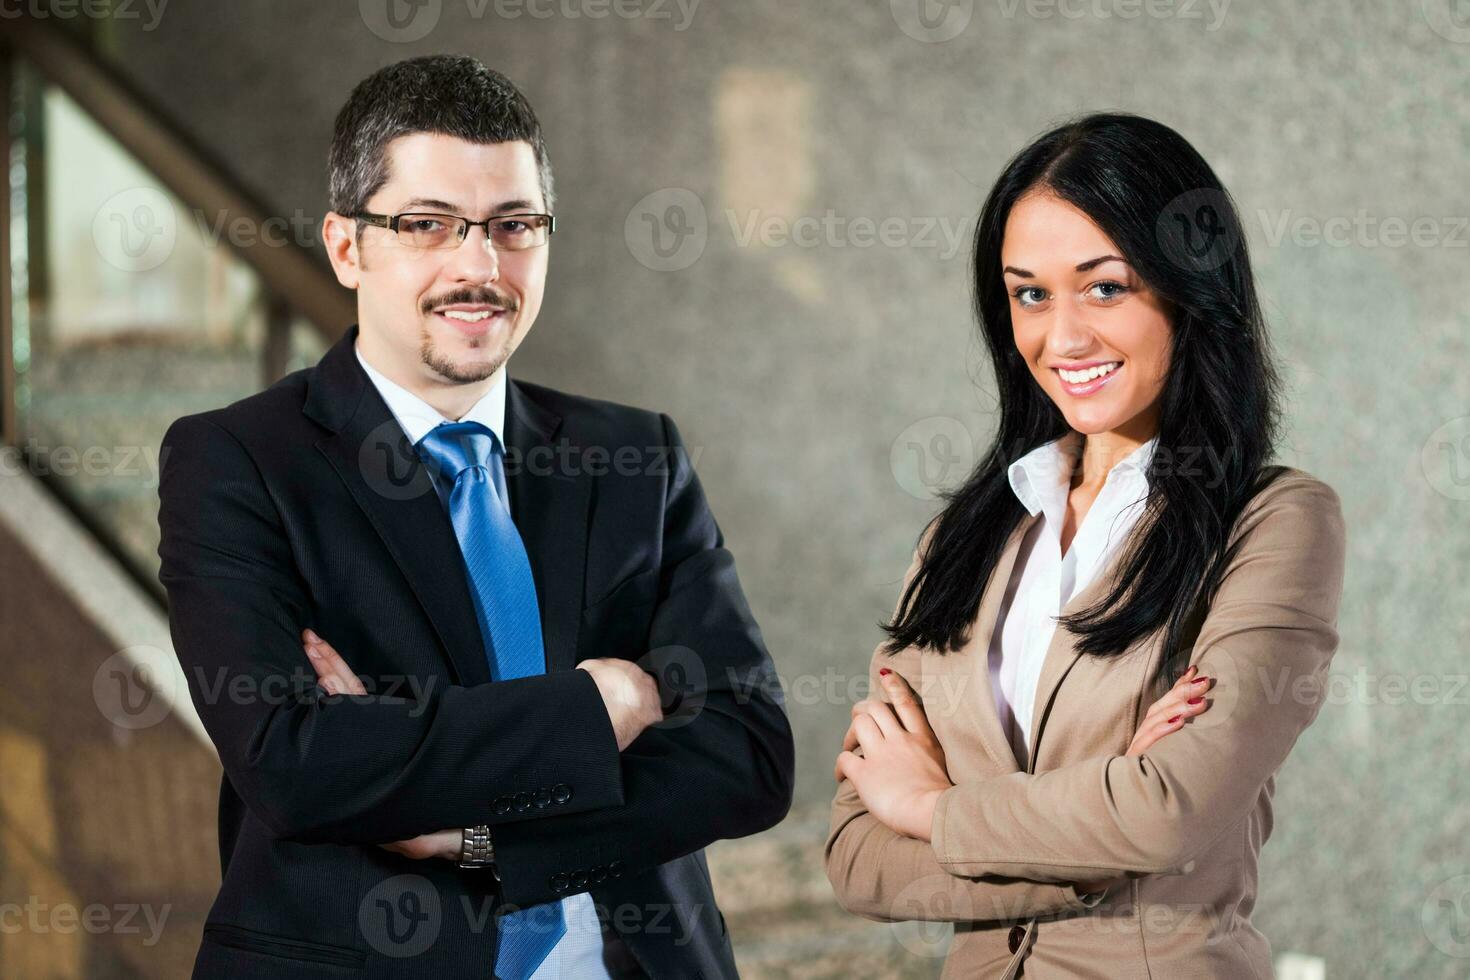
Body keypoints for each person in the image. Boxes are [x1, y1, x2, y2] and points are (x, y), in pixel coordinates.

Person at [157, 54, 793, 980]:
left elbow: (748, 752)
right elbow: (295, 761)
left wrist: (474, 838)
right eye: (427, 225)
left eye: (514, 225)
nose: (479, 265)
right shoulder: (238, 461)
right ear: (346, 247)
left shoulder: (631, 456)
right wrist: (600, 705)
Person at [825, 112, 1347, 978]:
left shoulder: (1275, 522)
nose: (1062, 339)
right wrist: (1099, 829)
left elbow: (1170, 812)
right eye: (1030, 293)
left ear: (1191, 289)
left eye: (1105, 287)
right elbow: (858, 859)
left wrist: (928, 804)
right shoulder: (964, 539)